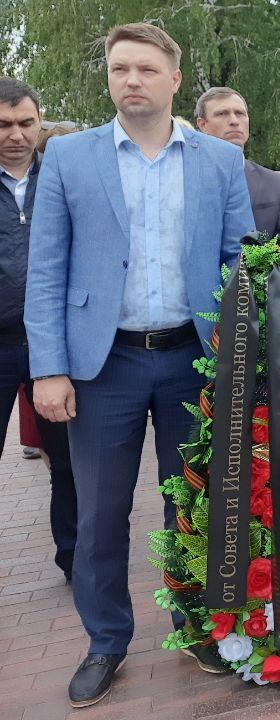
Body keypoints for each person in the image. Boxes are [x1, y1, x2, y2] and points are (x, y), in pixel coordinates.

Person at [25, 23, 254, 706]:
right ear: (108, 77)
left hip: (194, 359)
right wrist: (49, 368)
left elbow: (240, 258)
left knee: (196, 505)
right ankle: (106, 641)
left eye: (146, 69)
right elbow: (47, 272)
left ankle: (196, 625)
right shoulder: (68, 156)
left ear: (175, 79)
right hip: (104, 367)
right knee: (99, 514)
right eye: (120, 68)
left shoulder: (217, 159)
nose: (132, 80)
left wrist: (240, 357)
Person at [0, 77, 77, 585]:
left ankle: (74, 557)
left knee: (70, 463)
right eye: (3, 125)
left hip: (56, 344)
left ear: (40, 121)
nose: (15, 135)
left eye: (26, 123)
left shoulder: (63, 177)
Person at [194, 86, 280, 265]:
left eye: (240, 113)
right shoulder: (185, 177)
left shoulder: (273, 183)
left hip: (255, 289)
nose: (234, 121)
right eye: (222, 114)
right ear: (202, 125)